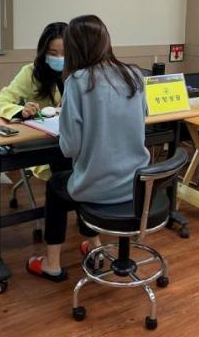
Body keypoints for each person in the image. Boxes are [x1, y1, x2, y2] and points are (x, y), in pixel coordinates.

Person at [26, 15, 149, 281]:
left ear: (74, 48)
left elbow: (69, 149)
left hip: (99, 188)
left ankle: (52, 264)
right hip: (137, 186)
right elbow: (142, 119)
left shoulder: (77, 82)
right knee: (80, 177)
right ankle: (94, 246)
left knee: (58, 184)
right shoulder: (134, 74)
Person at [0, 22, 67, 174]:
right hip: (42, 145)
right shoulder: (31, 73)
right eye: (53, 53)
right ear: (43, 52)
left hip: (71, 142)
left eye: (65, 53)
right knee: (63, 170)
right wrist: (21, 111)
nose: (60, 58)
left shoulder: (79, 73)